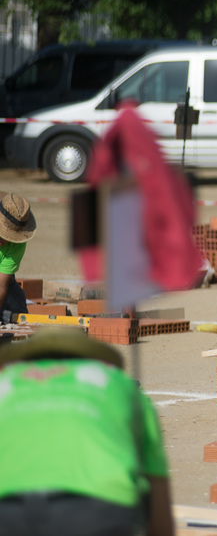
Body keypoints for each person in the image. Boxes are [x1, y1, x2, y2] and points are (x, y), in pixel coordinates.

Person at [0, 328, 173, 536]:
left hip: (8, 508)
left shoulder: (6, 382)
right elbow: (159, 502)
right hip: (99, 510)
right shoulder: (119, 384)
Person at [0, 191, 36, 325]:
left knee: (17, 304)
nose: (3, 241)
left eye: (8, 237)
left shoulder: (17, 245)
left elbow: (1, 285)